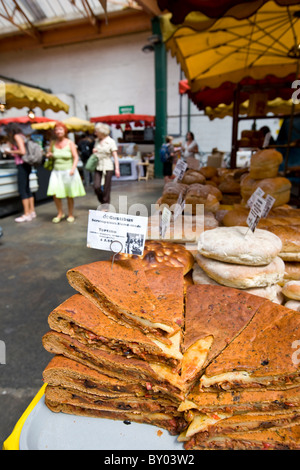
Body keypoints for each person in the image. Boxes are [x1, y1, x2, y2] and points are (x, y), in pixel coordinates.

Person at [46, 122, 86, 223]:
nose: (58, 131)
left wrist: (73, 169)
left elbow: (76, 157)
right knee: (55, 193)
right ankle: (60, 213)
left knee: (69, 194)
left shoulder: (70, 143)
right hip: (56, 171)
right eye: (56, 130)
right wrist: (49, 155)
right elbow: (49, 154)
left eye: (60, 129)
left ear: (64, 131)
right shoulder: (53, 143)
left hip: (68, 171)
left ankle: (70, 214)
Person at [4, 123, 36, 223]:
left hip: (22, 165)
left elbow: (22, 152)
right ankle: (31, 211)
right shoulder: (22, 136)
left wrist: (10, 152)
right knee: (27, 189)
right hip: (27, 165)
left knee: (22, 189)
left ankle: (26, 214)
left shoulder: (16, 137)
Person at [93, 123, 120, 208]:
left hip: (107, 166)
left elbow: (115, 156)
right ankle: (103, 201)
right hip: (98, 165)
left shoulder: (111, 141)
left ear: (101, 132)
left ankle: (106, 206)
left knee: (106, 188)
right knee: (96, 186)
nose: (95, 133)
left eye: (96, 131)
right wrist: (94, 151)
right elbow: (95, 151)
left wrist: (117, 169)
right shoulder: (97, 141)